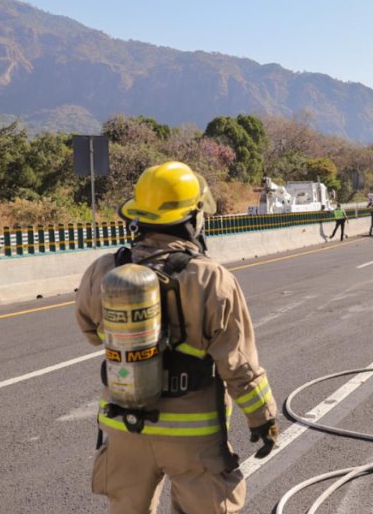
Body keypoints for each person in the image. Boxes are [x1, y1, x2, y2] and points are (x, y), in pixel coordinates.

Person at [76, 161, 278, 514]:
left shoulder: (104, 271)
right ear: (192, 220)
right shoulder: (211, 279)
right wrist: (263, 420)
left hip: (124, 426)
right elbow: (239, 366)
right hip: (192, 436)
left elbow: (91, 332)